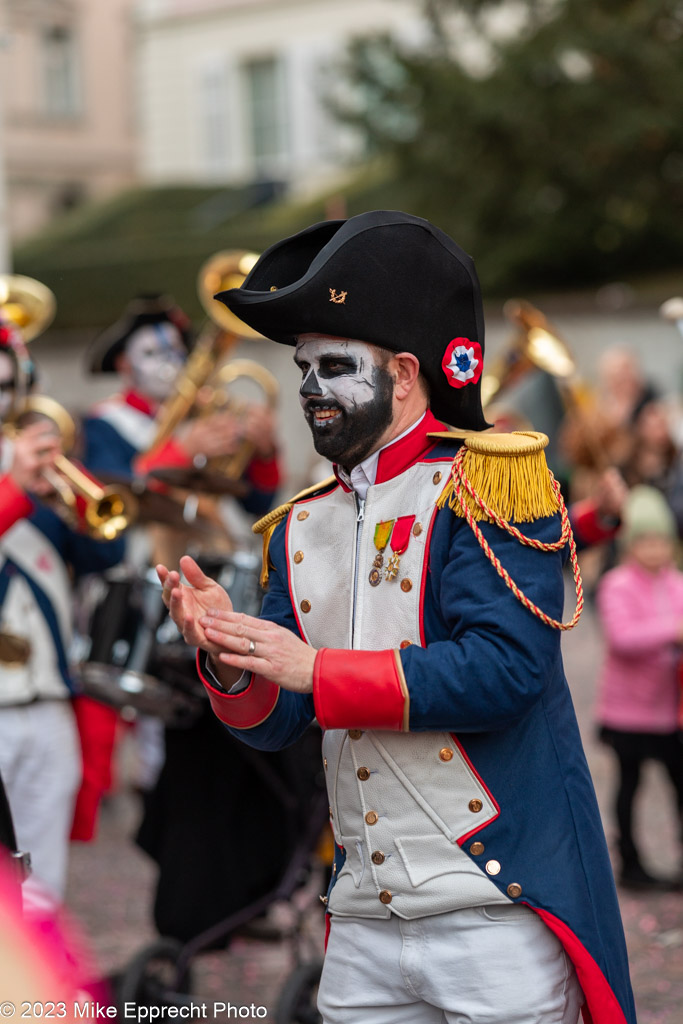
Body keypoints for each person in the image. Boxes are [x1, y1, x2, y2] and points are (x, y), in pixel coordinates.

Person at [157, 211, 636, 1024]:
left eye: (335, 366)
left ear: (406, 374)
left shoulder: (490, 482)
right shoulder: (298, 524)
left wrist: (315, 670)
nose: (309, 388)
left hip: (492, 910)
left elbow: (506, 672)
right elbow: (279, 724)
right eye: (302, 366)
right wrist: (233, 654)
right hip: (362, 917)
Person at [0, 320, 124, 919]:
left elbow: (106, 555)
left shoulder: (31, 476)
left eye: (10, 385)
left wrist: (71, 500)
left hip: (47, 697)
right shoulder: (15, 481)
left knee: (41, 885)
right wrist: (14, 489)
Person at [596, 484, 683, 891]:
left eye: (661, 540)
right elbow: (622, 638)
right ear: (630, 543)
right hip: (628, 711)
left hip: (670, 708)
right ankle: (630, 862)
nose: (654, 549)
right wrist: (671, 632)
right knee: (629, 787)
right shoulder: (617, 584)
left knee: (677, 785)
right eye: (645, 540)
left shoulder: (677, 583)